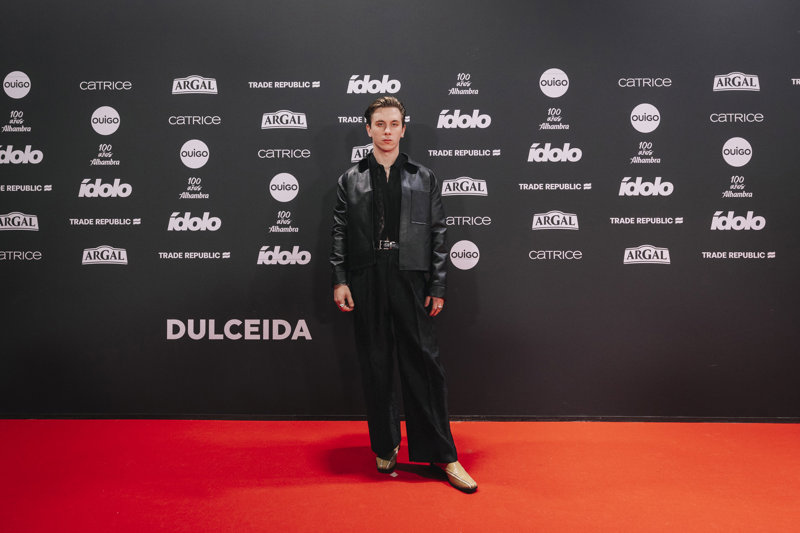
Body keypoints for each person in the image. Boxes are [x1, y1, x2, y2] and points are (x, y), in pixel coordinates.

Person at [330, 96, 477, 493]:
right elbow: (340, 231)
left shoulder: (423, 177)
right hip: (367, 275)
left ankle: (443, 454)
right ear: (368, 129)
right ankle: (386, 445)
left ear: (403, 129)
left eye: (394, 123)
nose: (387, 131)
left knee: (425, 364)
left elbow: (438, 234)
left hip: (411, 276)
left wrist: (438, 284)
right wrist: (340, 279)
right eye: (380, 124)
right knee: (376, 362)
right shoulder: (350, 179)